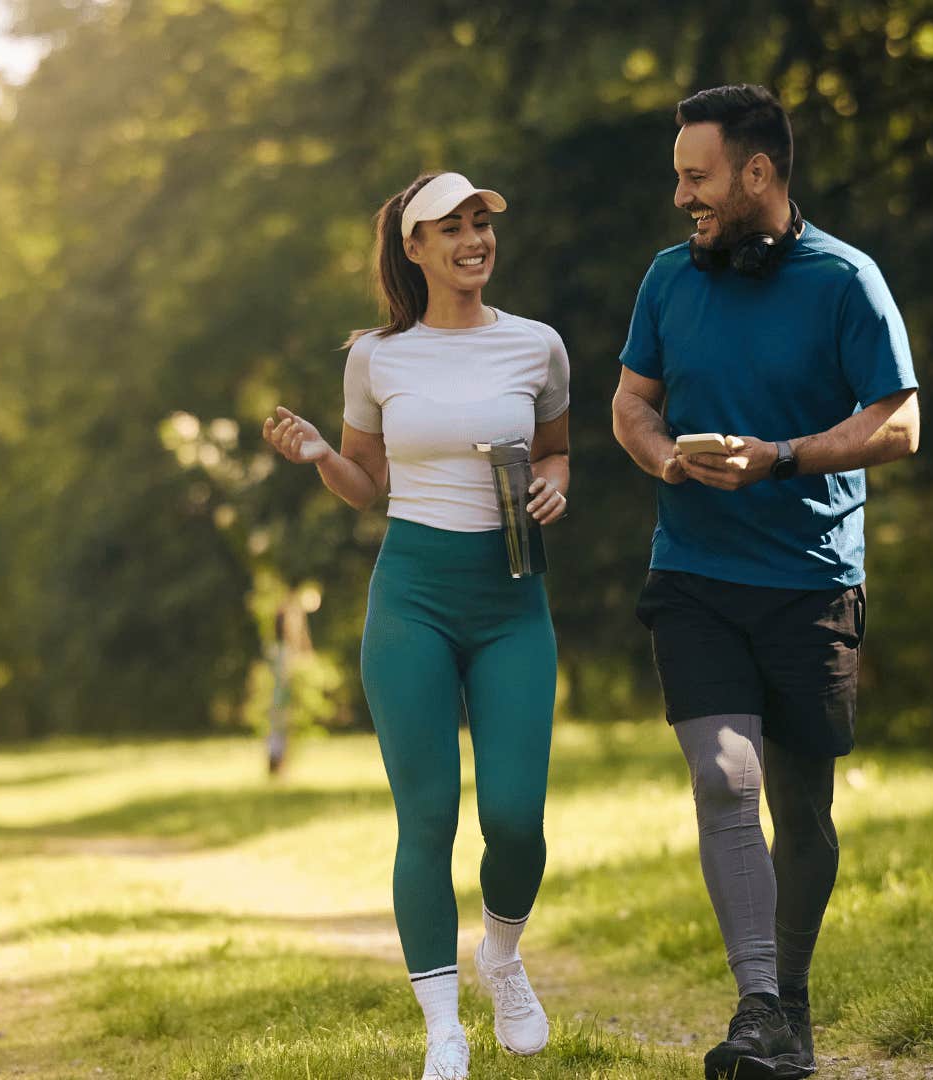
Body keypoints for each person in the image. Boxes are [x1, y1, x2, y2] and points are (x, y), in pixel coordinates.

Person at [611, 85, 921, 1080]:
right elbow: (629, 404)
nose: (679, 197)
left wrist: (781, 457)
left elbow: (901, 424)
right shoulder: (667, 280)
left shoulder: (846, 281)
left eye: (695, 177)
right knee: (723, 778)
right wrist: (665, 461)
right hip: (694, 575)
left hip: (810, 581)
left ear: (758, 173)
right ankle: (756, 1008)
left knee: (803, 806)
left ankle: (789, 1004)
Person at [262, 171, 571, 1080]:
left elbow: (556, 451)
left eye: (483, 223)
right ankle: (443, 1027)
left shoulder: (539, 346)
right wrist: (323, 455)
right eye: (453, 227)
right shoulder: (377, 357)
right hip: (414, 599)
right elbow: (368, 482)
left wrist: (558, 483)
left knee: (515, 817)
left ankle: (503, 957)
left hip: (513, 599)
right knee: (427, 814)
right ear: (415, 246)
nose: (474, 239)